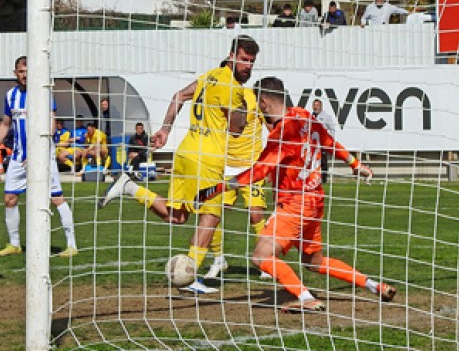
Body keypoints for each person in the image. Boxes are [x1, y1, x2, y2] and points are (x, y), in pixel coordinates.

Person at [196, 77, 396, 312]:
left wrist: (215, 189)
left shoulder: (281, 133)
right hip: (315, 201)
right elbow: (329, 142)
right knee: (314, 262)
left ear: (264, 102)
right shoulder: (304, 115)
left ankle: (306, 298)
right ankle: (374, 286)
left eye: (259, 104)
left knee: (261, 256)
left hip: (293, 205)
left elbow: (258, 171)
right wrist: (354, 163)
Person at [99, 35, 259, 294]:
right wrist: (242, 110)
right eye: (243, 60)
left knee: (178, 215)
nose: (247, 66)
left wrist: (165, 129)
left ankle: (130, 187)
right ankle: (190, 275)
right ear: (231, 56)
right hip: (207, 158)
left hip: (186, 152)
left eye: (251, 62)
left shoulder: (209, 76)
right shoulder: (233, 88)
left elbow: (179, 96)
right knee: (211, 215)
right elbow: (236, 129)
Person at [0, 56, 78, 258]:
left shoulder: (43, 93)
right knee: (9, 198)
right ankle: (14, 244)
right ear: (15, 73)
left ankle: (72, 245)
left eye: (28, 71)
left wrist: (36, 153)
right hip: (18, 157)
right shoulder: (10, 95)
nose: (25, 75)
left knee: (56, 198)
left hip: (42, 156)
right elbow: (5, 125)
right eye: (21, 71)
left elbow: (51, 125)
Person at [203, 85, 271, 280]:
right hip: (226, 167)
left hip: (252, 167)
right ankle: (218, 260)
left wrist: (270, 163)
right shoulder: (219, 99)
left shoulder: (253, 98)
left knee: (255, 214)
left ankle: (265, 262)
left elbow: (272, 129)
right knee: (213, 214)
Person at [311, 99, 339, 183]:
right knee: (312, 161)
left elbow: (332, 129)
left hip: (322, 143)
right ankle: (313, 179)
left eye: (317, 105)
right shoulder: (311, 116)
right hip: (313, 143)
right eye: (314, 105)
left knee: (323, 161)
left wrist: (329, 141)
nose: (315, 107)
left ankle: (324, 179)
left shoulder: (326, 117)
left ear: (321, 106)